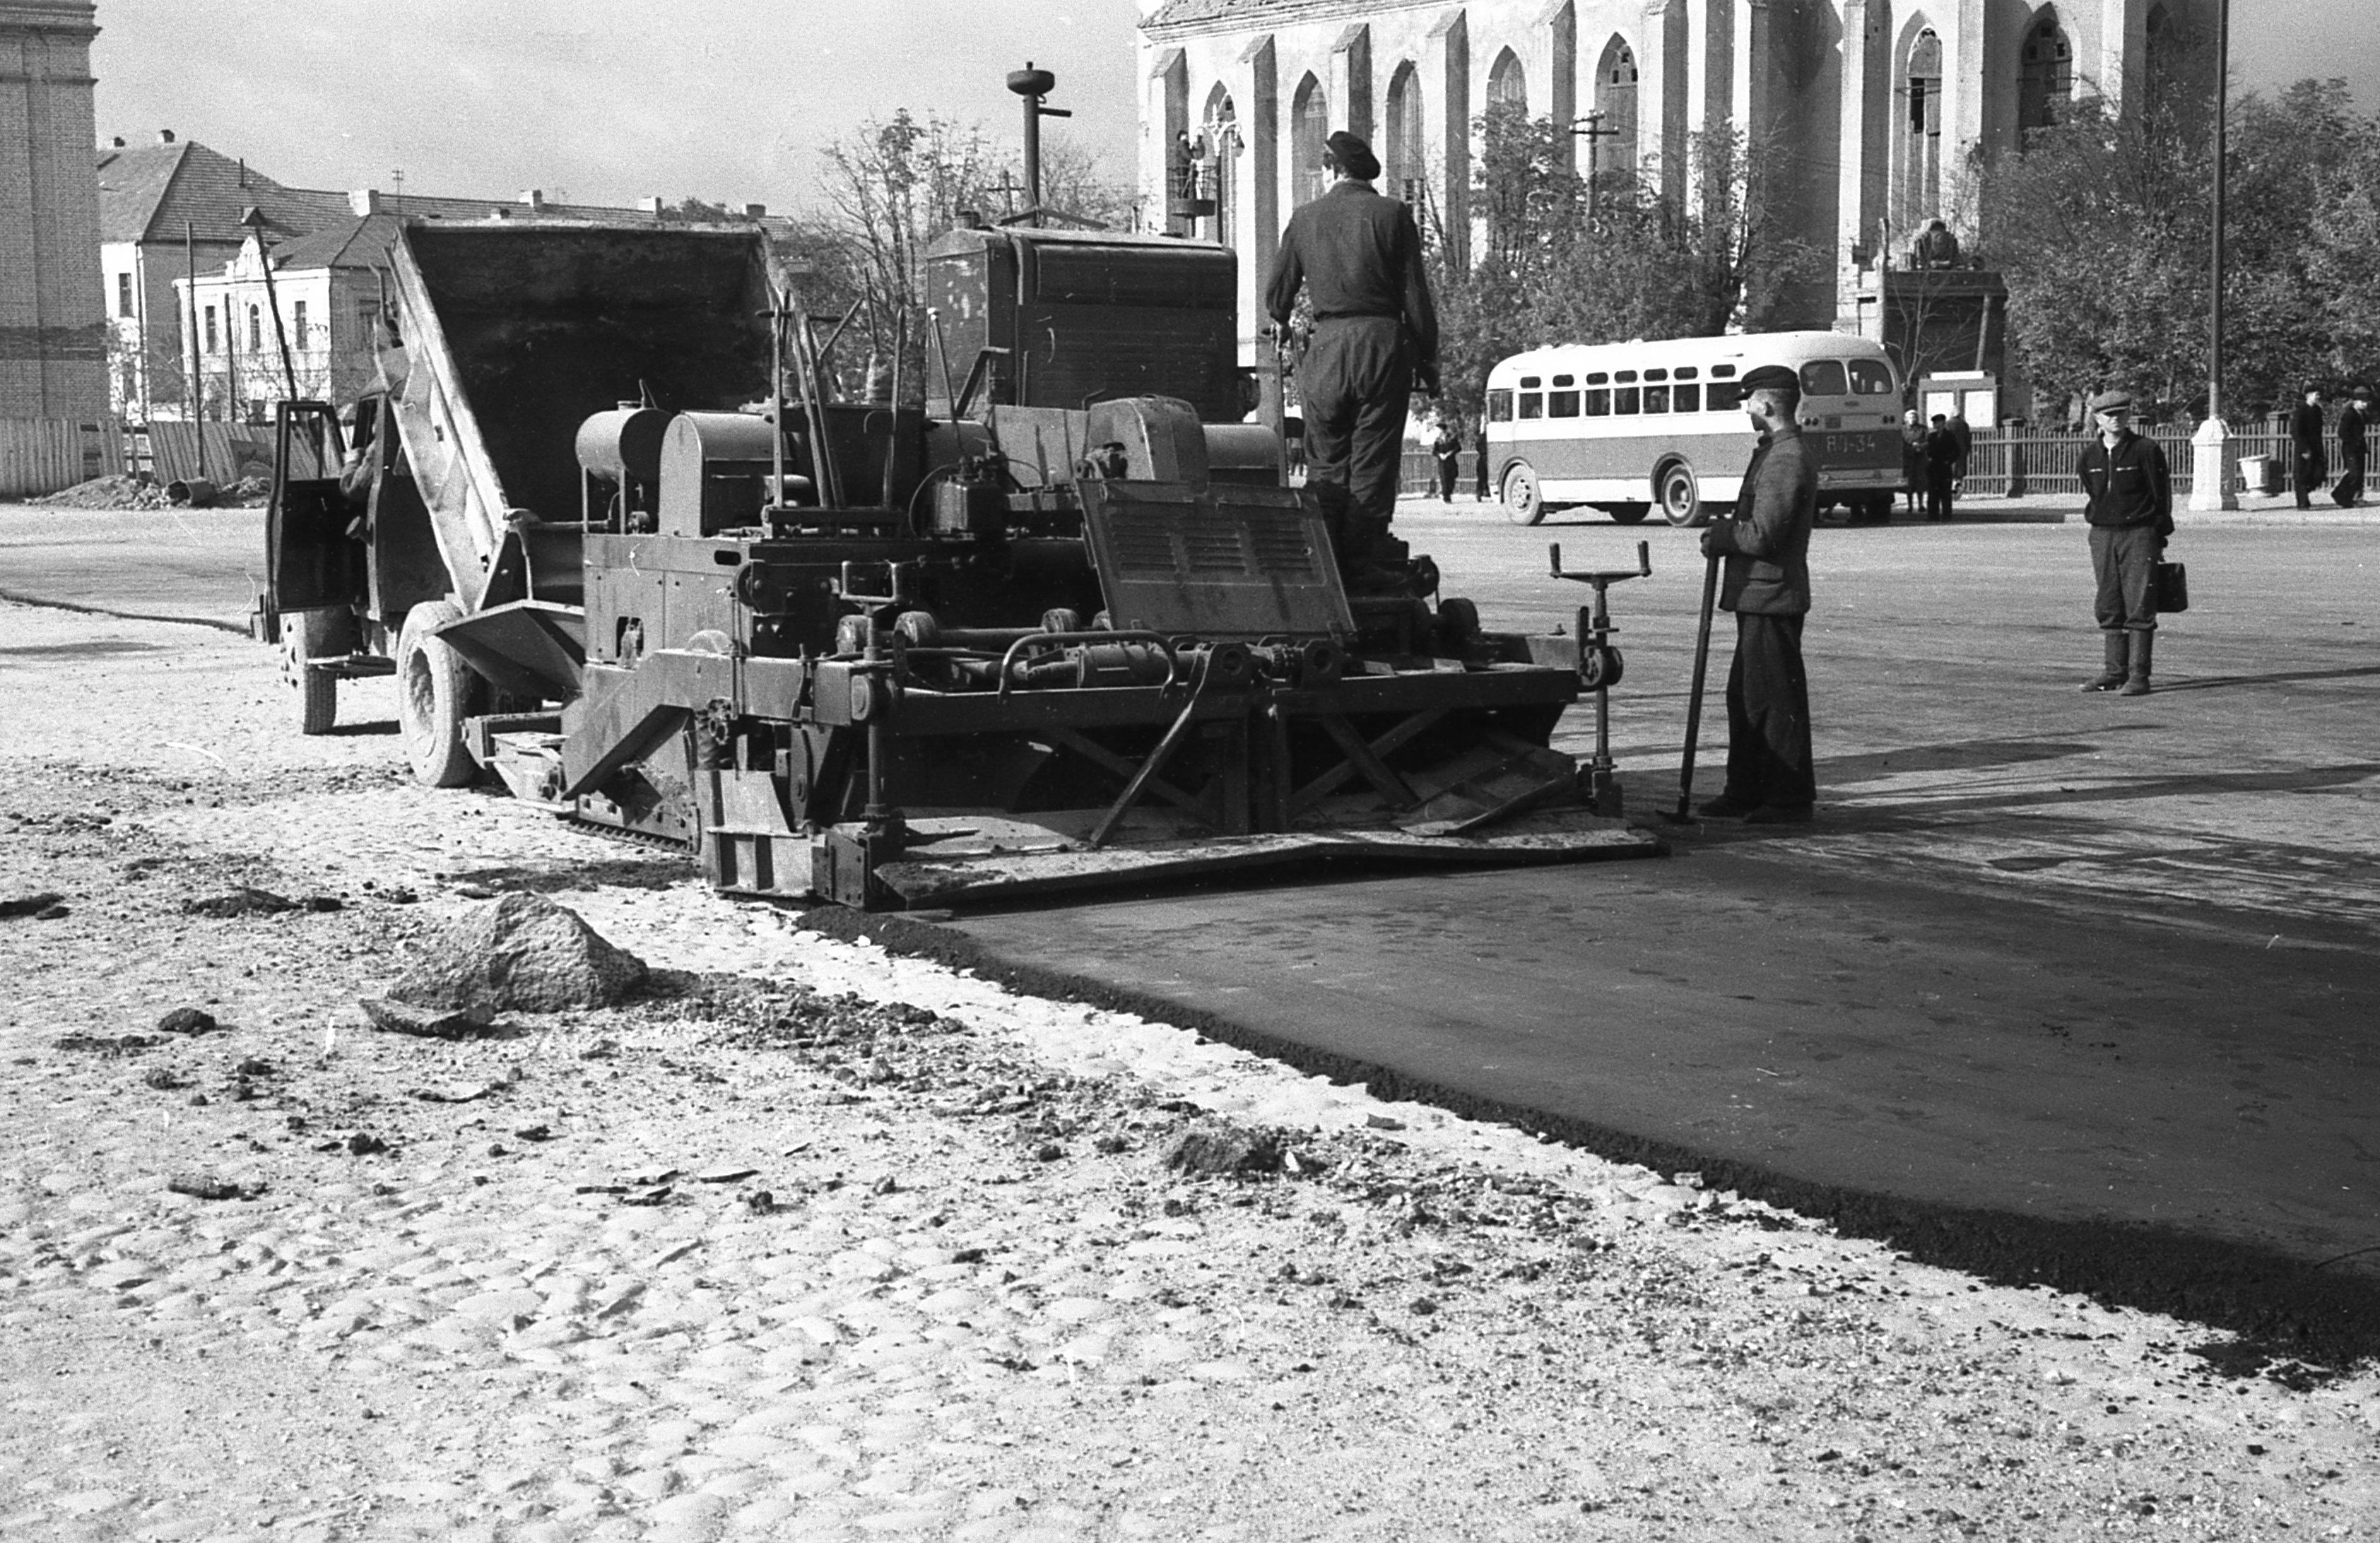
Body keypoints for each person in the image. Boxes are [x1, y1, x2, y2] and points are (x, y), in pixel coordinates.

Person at [1263, 129, 1439, 584]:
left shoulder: (1304, 219)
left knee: (1325, 461)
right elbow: (1415, 297)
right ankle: (1363, 561)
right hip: (1383, 346)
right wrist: (1427, 357)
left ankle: (1324, 560)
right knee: (1373, 461)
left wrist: (1281, 319)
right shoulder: (1393, 214)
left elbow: (1278, 295)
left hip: (1327, 350)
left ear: (1331, 170)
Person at [1695, 363, 1820, 824]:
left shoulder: (1786, 459)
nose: (1746, 409)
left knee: (1774, 701)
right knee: (1748, 697)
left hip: (1773, 597)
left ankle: (1787, 799)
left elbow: (1763, 535)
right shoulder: (1774, 452)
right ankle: (1745, 790)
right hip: (1759, 596)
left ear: (1766, 404)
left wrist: (1723, 534)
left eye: (1748, 401)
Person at [2074, 389, 2174, 696]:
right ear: (2097, 419)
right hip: (2103, 534)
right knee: (2108, 600)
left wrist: (2157, 535)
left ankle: (2139, 675)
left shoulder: (2145, 450)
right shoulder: (2089, 456)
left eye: (2121, 413)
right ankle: (2114, 671)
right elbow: (2093, 491)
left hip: (2139, 533)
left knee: (2140, 601)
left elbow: (2161, 496)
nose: (2116, 419)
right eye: (2109, 415)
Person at [2291, 384, 2328, 509]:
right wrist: (2304, 449)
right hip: (2304, 447)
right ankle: (2302, 503)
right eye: (2316, 394)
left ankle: (2305, 494)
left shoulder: (2317, 410)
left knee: (2318, 474)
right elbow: (2296, 432)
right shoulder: (2300, 411)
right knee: (2302, 475)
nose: (2318, 397)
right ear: (2309, 396)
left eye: (2318, 395)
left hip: (2316, 446)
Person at [2334, 384, 2369, 509]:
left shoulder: (2362, 414)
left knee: (2359, 474)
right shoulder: (2349, 414)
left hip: (2359, 448)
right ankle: (2339, 495)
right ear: (2355, 401)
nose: (2365, 404)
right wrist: (2354, 442)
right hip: (2350, 449)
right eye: (2363, 402)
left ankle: (2354, 497)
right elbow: (2342, 432)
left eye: (2366, 402)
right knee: (2354, 473)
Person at [1924, 413, 1960, 521]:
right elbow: (1928, 450)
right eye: (1934, 422)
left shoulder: (1949, 436)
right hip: (1933, 467)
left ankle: (1946, 516)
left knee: (1945, 494)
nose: (1935, 424)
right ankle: (1932, 516)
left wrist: (1948, 461)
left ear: (1943, 423)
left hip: (1944, 467)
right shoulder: (1931, 436)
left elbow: (1956, 451)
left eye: (1937, 422)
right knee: (1933, 494)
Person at [1899, 408, 1926, 516]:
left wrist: (1920, 446)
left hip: (1920, 458)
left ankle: (1920, 504)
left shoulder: (1922, 429)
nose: (1913, 419)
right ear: (1906, 419)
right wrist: (1909, 448)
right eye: (1910, 417)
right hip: (1908, 459)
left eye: (1914, 417)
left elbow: (1927, 441)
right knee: (1909, 484)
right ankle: (1910, 505)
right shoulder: (1902, 430)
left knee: (1920, 482)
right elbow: (1900, 443)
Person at [1430, 414, 1463, 502]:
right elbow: (1434, 451)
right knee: (1444, 479)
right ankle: (1446, 497)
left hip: (1451, 461)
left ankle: (1449, 492)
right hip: (1442, 462)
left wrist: (1450, 453)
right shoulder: (1438, 440)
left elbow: (1458, 448)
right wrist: (1440, 455)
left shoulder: (1451, 438)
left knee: (1452, 479)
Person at [1473, 418, 1490, 502]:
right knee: (1481, 477)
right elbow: (1478, 446)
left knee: (1485, 477)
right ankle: (1479, 493)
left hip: (1487, 458)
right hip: (1483, 458)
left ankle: (1485, 491)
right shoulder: (1481, 437)